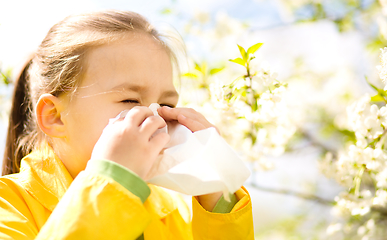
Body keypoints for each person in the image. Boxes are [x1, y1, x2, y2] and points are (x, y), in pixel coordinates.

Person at [0, 10, 254, 239]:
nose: (155, 119)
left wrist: (218, 198)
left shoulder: (171, 211)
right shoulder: (9, 206)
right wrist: (112, 182)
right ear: (55, 117)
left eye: (167, 106)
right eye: (130, 100)